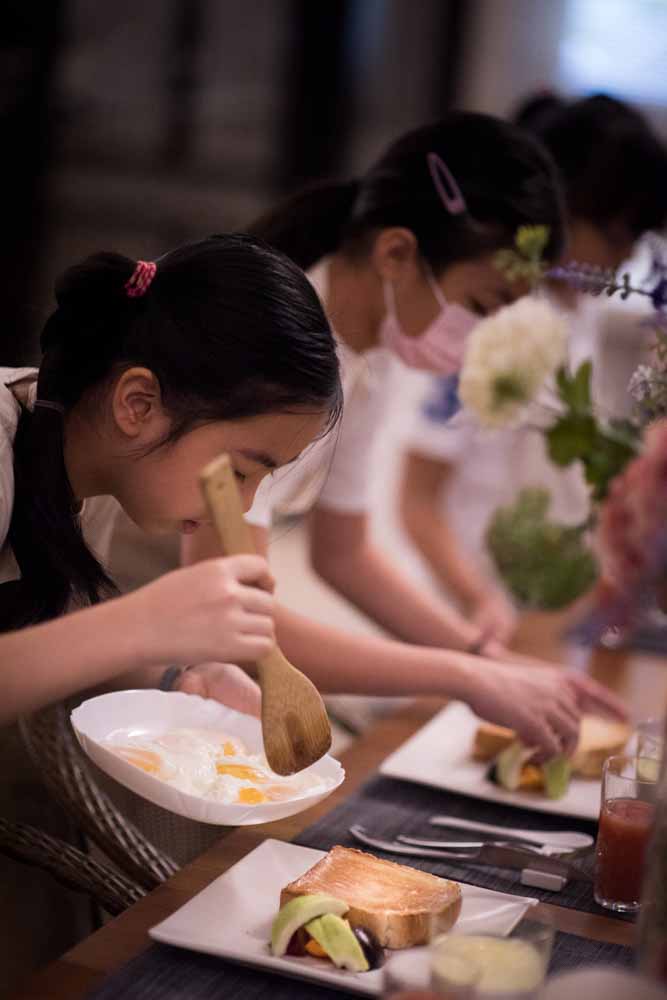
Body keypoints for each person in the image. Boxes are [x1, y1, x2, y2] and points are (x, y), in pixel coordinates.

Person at [178, 113, 626, 757]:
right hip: (135, 650)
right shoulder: (274, 344)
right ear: (395, 254)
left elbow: (345, 552)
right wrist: (465, 674)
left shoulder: (372, 349)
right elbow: (234, 619)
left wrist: (483, 656)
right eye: (480, 307)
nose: (482, 334)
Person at [0, 233, 343, 725]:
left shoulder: (96, 473)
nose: (245, 505)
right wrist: (142, 622)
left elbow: (43, 643)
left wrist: (177, 679)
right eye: (239, 471)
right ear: (138, 404)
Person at [400, 94, 667, 646]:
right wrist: (480, 603)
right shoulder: (488, 317)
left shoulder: (577, 311)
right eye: (617, 238)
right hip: (457, 618)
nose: (624, 260)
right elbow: (417, 502)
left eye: (636, 242)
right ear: (560, 210)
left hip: (532, 616)